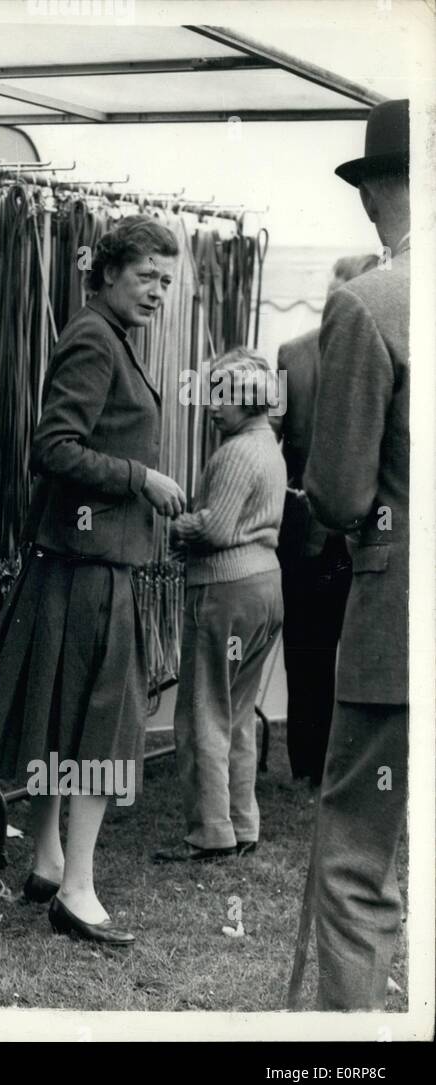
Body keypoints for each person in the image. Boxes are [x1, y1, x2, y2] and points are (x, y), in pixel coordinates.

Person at [0, 215, 186, 947]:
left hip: (81, 565)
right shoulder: (92, 338)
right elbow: (52, 447)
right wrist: (139, 478)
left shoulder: (106, 336)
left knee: (61, 719)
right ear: (108, 269)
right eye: (147, 276)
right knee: (99, 732)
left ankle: (49, 861)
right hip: (88, 570)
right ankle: (77, 891)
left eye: (166, 282)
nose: (158, 292)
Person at [302, 99, 409, 1010]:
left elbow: (337, 493)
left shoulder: (370, 301)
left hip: (403, 626)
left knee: (357, 864)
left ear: (376, 191)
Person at [155, 348, 285, 863]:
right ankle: (242, 822)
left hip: (225, 589)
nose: (211, 406)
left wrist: (174, 526)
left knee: (202, 711)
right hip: (266, 588)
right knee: (236, 712)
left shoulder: (234, 453)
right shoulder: (268, 446)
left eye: (223, 397)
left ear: (249, 401)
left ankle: (211, 830)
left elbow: (214, 528)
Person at [275, 253, 379, 787]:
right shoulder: (291, 355)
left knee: (352, 657)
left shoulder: (380, 350)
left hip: (361, 534)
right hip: (312, 533)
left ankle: (330, 764)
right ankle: (310, 763)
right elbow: (266, 439)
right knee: (310, 651)